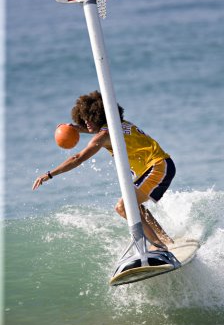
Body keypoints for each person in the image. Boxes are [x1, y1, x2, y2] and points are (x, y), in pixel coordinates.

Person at [32, 91, 176, 250]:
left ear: (97, 116)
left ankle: (159, 247)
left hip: (157, 167)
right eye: (83, 119)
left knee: (123, 207)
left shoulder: (103, 136)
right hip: (163, 164)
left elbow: (77, 158)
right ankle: (166, 240)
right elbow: (97, 130)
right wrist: (77, 129)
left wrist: (49, 174)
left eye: (88, 119)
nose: (86, 123)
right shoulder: (118, 124)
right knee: (135, 206)